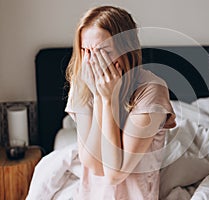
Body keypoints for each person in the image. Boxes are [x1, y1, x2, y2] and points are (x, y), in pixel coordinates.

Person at [65, 5, 176, 199]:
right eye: (86, 51)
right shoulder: (82, 81)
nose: (93, 62)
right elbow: (93, 163)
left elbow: (114, 174)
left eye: (103, 51)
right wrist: (99, 96)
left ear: (127, 50)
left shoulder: (152, 90)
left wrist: (108, 100)